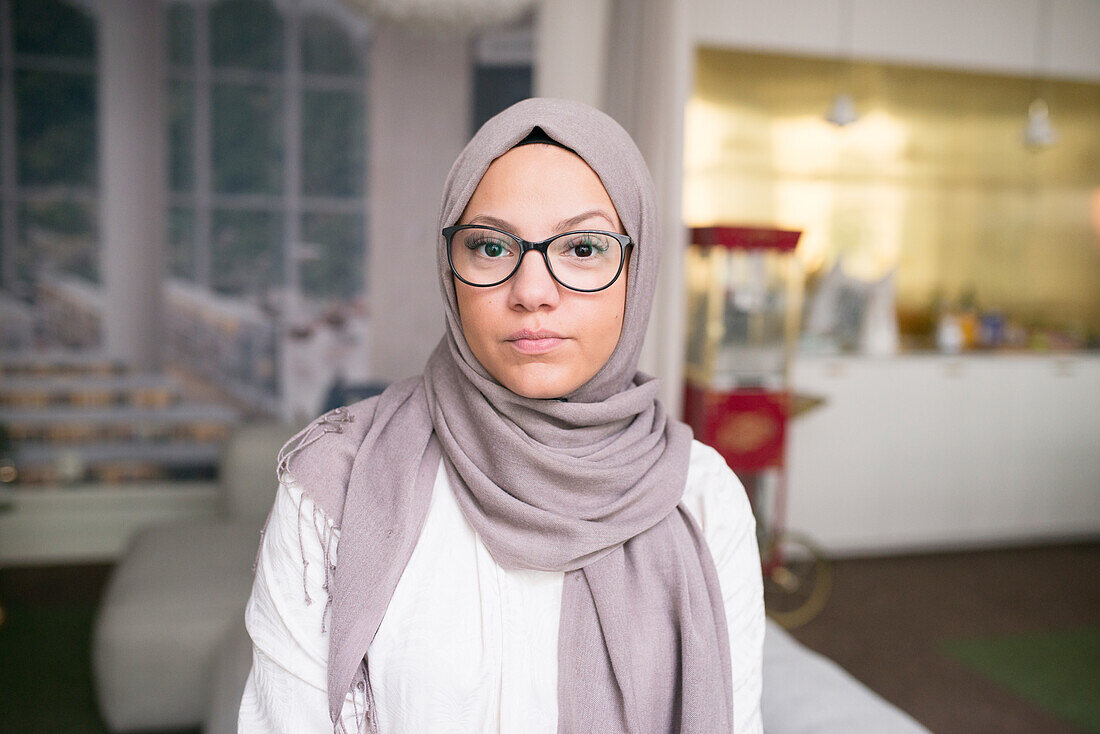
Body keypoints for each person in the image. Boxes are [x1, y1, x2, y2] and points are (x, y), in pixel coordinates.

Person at [239, 98, 764, 734]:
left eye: (583, 248)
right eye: (491, 246)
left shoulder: (702, 497)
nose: (533, 290)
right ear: (450, 270)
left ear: (638, 269)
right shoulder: (334, 484)